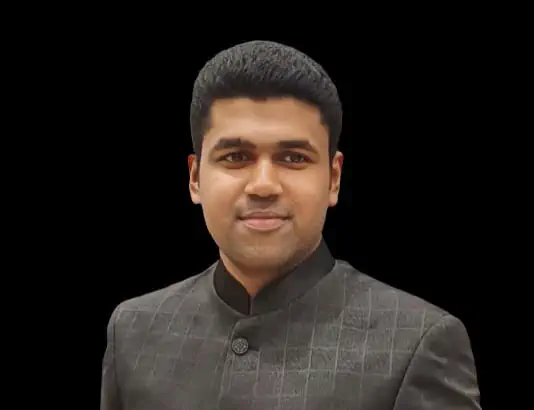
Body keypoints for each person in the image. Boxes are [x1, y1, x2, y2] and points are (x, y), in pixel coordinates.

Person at [100, 40, 481, 409]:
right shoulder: (134, 331)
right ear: (195, 178)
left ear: (333, 179)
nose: (263, 185)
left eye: (294, 158)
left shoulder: (416, 343)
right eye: (236, 156)